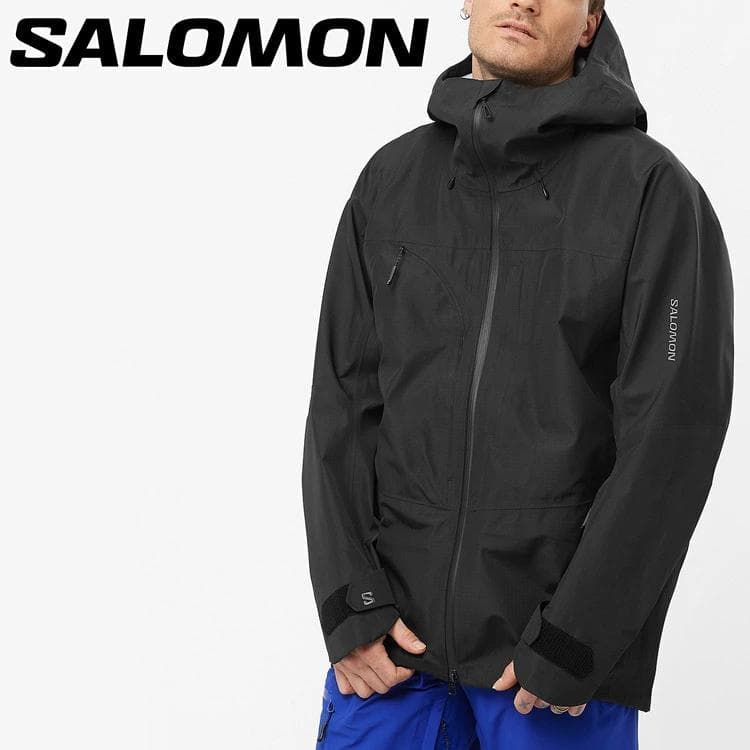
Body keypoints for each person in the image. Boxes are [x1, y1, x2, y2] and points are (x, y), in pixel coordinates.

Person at [301, 1, 734, 747]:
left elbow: (673, 437)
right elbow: (339, 405)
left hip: (547, 677)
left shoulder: (651, 192)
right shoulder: (391, 180)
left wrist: (576, 640)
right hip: (390, 657)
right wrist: (349, 606)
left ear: (590, 22)